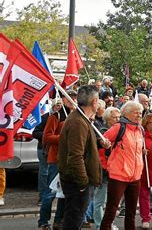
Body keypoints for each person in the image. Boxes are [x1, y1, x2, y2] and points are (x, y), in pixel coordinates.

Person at [57, 85, 104, 230]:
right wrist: (83, 183)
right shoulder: (78, 122)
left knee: (74, 218)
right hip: (77, 182)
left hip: (77, 181)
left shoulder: (81, 119)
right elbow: (75, 156)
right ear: (95, 101)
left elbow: (84, 146)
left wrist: (99, 142)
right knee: (73, 221)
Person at [100, 101, 144, 230]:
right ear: (127, 113)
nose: (139, 115)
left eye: (140, 112)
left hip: (135, 176)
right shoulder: (119, 127)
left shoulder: (140, 129)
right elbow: (101, 143)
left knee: (131, 212)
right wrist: (106, 164)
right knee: (111, 210)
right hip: (118, 175)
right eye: (136, 112)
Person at [39, 91, 77, 230]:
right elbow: (47, 137)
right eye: (70, 99)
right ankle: (43, 222)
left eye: (74, 98)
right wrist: (64, 138)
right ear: (63, 100)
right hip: (56, 159)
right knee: (51, 193)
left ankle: (58, 221)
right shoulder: (56, 116)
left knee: (64, 193)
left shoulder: (75, 117)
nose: (73, 101)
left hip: (69, 160)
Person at [93, 107, 121, 230]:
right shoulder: (102, 131)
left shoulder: (119, 130)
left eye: (119, 117)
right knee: (100, 201)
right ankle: (100, 225)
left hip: (115, 170)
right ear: (107, 118)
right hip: (104, 170)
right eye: (115, 117)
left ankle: (108, 224)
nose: (118, 119)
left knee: (113, 201)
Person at [33, 98, 63, 206]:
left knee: (52, 176)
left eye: (61, 105)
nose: (59, 107)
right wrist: (47, 135)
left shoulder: (62, 118)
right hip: (44, 149)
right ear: (53, 106)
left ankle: (50, 197)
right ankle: (42, 197)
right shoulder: (45, 117)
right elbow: (35, 133)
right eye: (57, 105)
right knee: (44, 174)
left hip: (55, 150)